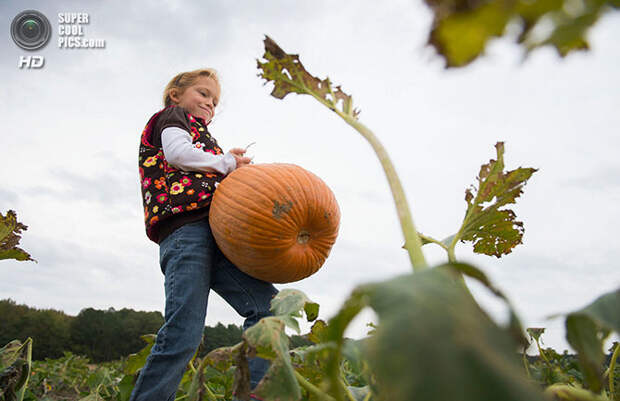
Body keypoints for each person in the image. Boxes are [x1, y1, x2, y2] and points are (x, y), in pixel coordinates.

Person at [132, 68, 278, 401]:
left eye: (214, 101)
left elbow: (212, 175)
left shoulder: (204, 139)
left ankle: (253, 393)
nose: (209, 103)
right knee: (184, 332)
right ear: (175, 94)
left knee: (269, 310)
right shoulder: (171, 118)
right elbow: (177, 155)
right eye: (202, 93)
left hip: (216, 235)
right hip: (186, 233)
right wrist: (225, 163)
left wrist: (236, 173)